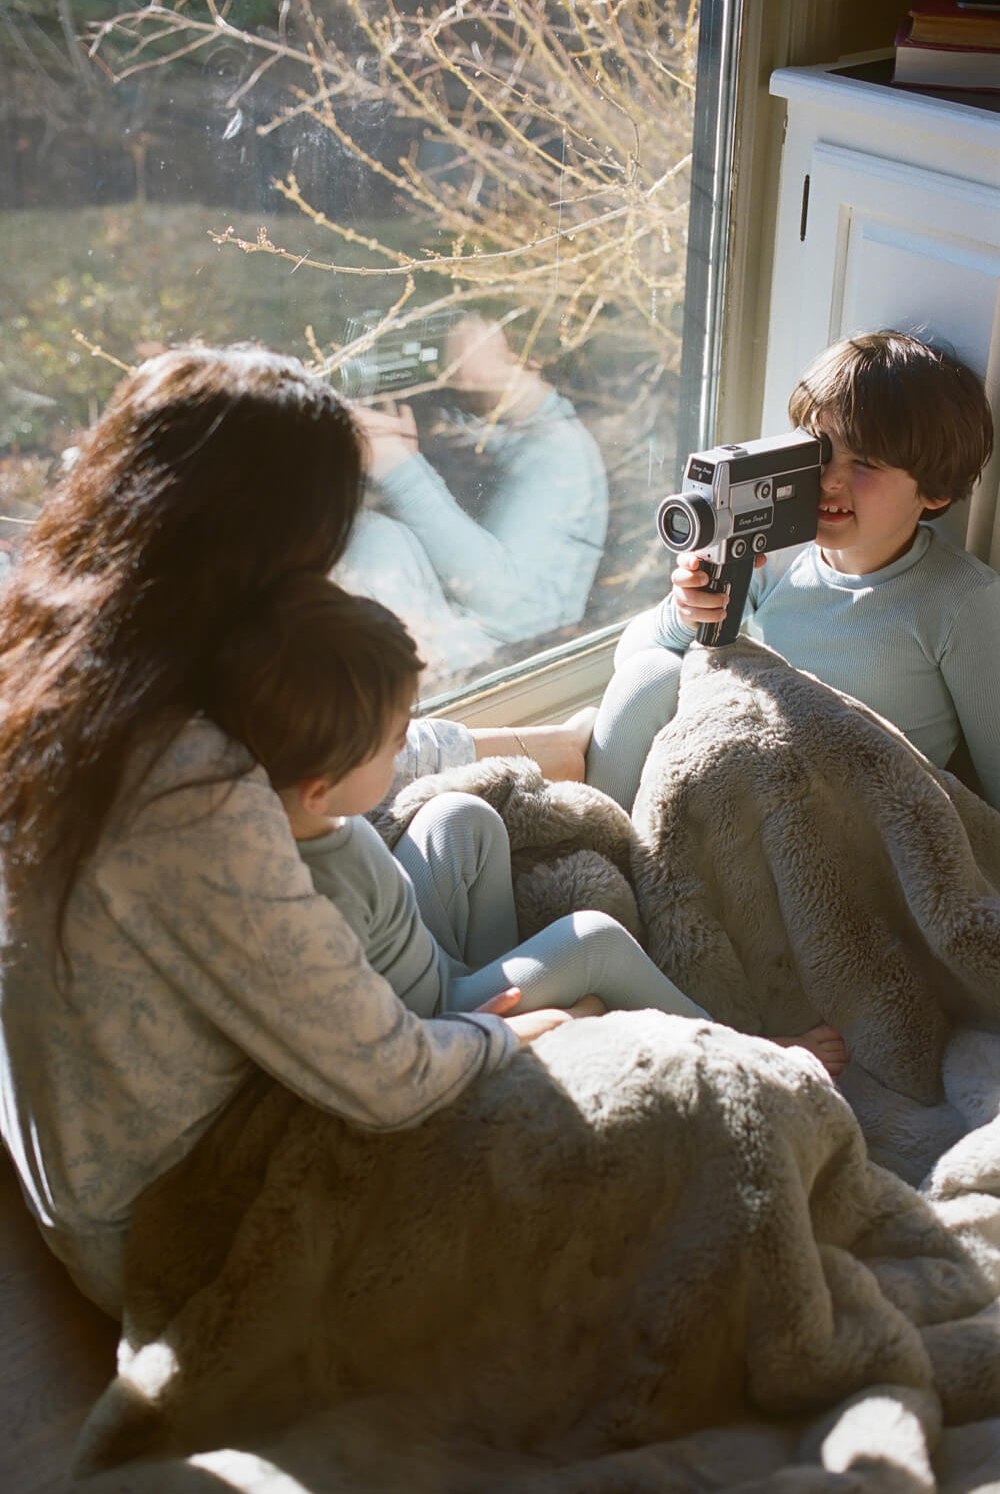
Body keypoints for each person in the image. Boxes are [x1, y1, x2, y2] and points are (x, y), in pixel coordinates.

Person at [0, 345, 596, 1319]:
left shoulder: (74, 661)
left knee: (455, 832)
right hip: (171, 1215)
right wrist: (511, 1040)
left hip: (78, 1143)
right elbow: (391, 1078)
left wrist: (553, 747)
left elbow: (334, 750)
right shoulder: (189, 797)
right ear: (265, 549)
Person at [205, 573, 847, 1065]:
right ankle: (751, 1048)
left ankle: (537, 978)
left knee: (459, 816)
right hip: (441, 1014)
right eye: (392, 740)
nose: (406, 749)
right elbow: (373, 1046)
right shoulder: (308, 903)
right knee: (591, 935)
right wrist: (488, 1032)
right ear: (320, 787)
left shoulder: (314, 819)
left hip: (432, 959)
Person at [585, 331, 1000, 813]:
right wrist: (684, 616)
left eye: (864, 462)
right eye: (819, 451)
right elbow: (630, 663)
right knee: (652, 673)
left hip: (849, 823)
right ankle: (599, 846)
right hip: (751, 786)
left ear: (935, 491)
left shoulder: (962, 602)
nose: (829, 479)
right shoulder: (776, 553)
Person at [350, 313, 609, 648]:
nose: (448, 341)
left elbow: (516, 608)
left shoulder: (559, 451)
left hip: (504, 672)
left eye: (472, 326)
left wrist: (399, 470)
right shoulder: (478, 429)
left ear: (524, 352)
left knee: (376, 537)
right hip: (441, 658)